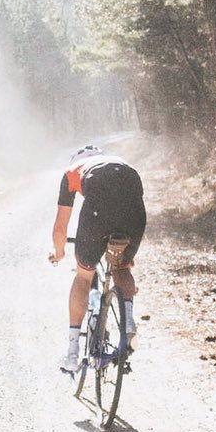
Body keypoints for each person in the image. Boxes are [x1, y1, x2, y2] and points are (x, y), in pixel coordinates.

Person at [49, 144, 146, 374]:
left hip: (98, 214)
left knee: (84, 275)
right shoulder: (120, 162)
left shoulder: (73, 171)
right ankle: (129, 322)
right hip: (135, 210)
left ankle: (72, 353)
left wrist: (59, 251)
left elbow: (60, 228)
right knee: (121, 266)